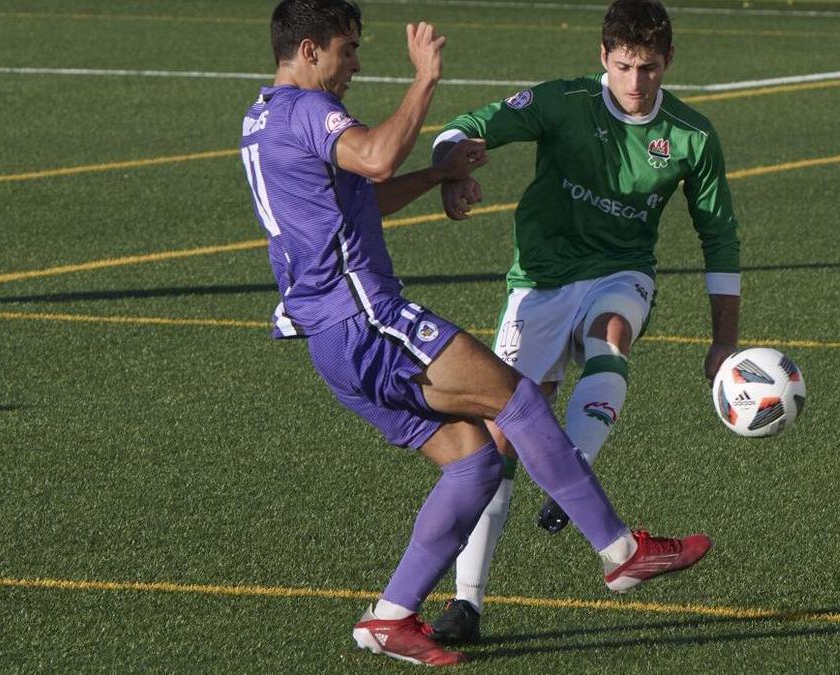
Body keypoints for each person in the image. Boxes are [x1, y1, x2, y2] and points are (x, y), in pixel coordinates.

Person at [240, 0, 712, 666]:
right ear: (310, 50)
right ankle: (620, 551)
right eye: (348, 50)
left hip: (330, 342)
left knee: (475, 462)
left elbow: (359, 200)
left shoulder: (261, 118)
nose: (355, 65)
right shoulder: (309, 110)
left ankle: (390, 615)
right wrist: (425, 79)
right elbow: (374, 160)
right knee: (517, 398)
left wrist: (437, 175)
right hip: (370, 319)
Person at [429, 0, 740, 644]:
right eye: (624, 66)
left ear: (669, 62)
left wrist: (725, 339)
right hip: (539, 281)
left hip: (622, 271)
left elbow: (721, 238)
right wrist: (452, 166)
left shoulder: (691, 135)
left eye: (649, 68)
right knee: (496, 446)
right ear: (603, 58)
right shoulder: (563, 101)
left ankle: (571, 469)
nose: (635, 82)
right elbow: (466, 125)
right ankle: (466, 603)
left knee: (611, 337)